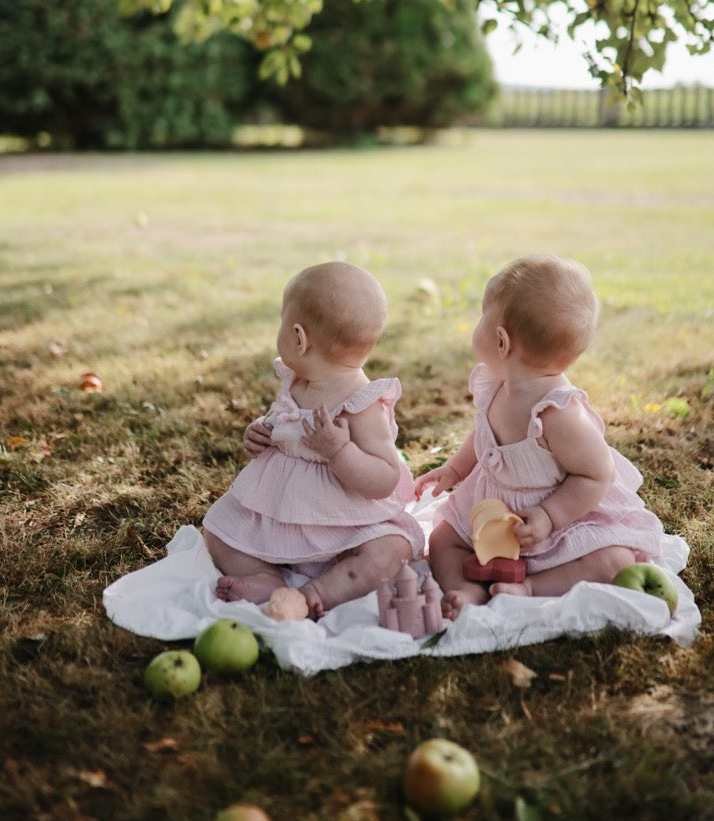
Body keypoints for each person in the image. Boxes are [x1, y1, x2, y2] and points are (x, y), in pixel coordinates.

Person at [414, 255, 682, 620]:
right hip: (492, 514)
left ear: (502, 341)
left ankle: (529, 588)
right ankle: (467, 590)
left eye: (482, 315)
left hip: (557, 528)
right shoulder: (496, 386)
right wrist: (455, 469)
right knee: (443, 537)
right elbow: (484, 436)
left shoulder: (557, 414)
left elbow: (596, 473)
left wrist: (549, 516)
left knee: (612, 560)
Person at [204, 261, 423, 619]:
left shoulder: (361, 404)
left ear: (299, 338)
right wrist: (261, 431)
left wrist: (339, 451)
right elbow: (283, 425)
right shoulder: (296, 384)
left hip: (348, 523)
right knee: (219, 529)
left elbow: (385, 479)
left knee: (391, 550)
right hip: (282, 509)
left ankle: (318, 592)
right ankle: (265, 577)